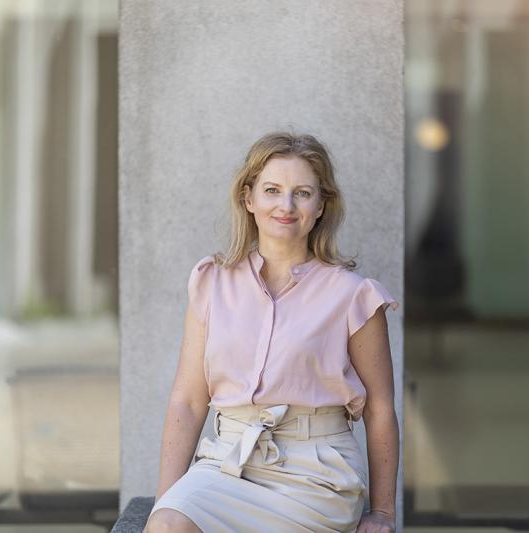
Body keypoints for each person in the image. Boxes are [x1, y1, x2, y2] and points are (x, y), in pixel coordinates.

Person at [144, 132, 399, 533]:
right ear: (249, 199)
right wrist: (166, 502)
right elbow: (188, 402)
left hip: (317, 476)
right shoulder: (212, 283)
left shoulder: (353, 296)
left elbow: (381, 408)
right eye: (272, 190)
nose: (286, 205)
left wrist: (383, 512)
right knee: (169, 526)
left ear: (320, 206)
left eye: (302, 193)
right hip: (226, 462)